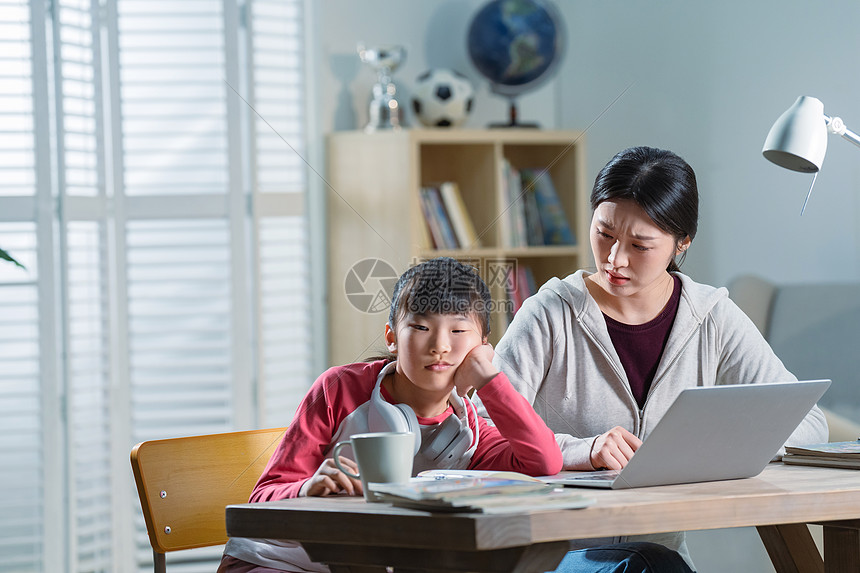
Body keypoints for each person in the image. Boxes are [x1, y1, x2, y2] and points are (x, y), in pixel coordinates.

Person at [218, 257, 691, 573]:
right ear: (391, 336)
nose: (440, 346)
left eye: (459, 331)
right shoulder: (340, 390)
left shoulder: (467, 428)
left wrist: (493, 382)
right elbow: (262, 498)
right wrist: (307, 488)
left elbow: (544, 462)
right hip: (276, 562)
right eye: (420, 328)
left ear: (482, 344)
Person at [484, 146, 829, 570]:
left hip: (659, 560)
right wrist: (580, 450)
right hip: (551, 556)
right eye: (604, 234)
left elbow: (810, 422)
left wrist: (718, 446)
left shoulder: (711, 316)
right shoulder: (550, 313)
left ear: (681, 243)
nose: (615, 259)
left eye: (639, 245)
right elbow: (482, 432)